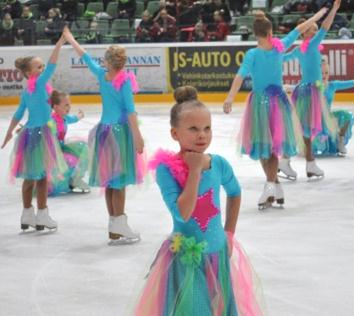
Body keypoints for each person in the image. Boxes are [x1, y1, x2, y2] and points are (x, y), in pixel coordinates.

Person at [135, 89, 263, 315]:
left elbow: (234, 192)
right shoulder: (166, 170)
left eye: (207, 128)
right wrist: (194, 172)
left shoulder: (218, 164)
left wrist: (229, 233)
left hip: (218, 255)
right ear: (175, 133)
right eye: (193, 129)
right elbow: (182, 213)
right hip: (186, 261)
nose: (202, 135)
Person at [222, 9, 328, 210]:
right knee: (267, 147)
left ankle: (270, 185)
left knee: (264, 147)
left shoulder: (252, 54)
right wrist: (319, 14)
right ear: (271, 33)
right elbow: (300, 28)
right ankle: (275, 187)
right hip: (278, 103)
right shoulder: (280, 47)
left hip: (260, 104)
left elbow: (240, 76)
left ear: (255, 35)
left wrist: (230, 97)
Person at [63, 26, 146, 244]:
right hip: (119, 135)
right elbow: (130, 110)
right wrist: (137, 136)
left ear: (107, 61)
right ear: (124, 63)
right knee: (118, 182)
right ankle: (120, 224)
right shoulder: (126, 80)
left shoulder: (102, 75)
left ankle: (114, 226)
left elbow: (85, 57)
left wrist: (71, 39)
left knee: (111, 181)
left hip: (103, 132)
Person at [1, 35, 67, 232]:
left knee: (30, 177)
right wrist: (59, 44)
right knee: (42, 177)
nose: (42, 70)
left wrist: (9, 133)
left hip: (28, 134)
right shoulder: (38, 84)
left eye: (41, 67)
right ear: (30, 73)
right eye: (38, 67)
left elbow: (18, 114)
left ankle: (27, 213)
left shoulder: (28, 91)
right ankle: (42, 215)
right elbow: (53, 64)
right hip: (40, 134)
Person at [279, 0, 341, 179]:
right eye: (312, 29)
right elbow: (326, 26)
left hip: (307, 91)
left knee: (305, 129)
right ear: (304, 33)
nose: (315, 31)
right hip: (309, 92)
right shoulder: (311, 45)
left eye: (315, 29)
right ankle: (291, 160)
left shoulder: (300, 49)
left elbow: (281, 58)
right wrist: (334, 9)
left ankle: (309, 162)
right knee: (303, 128)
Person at [47, 90, 90, 195]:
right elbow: (41, 130)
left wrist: (80, 116)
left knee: (84, 148)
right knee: (66, 162)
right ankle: (53, 183)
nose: (69, 107)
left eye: (69, 105)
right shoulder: (51, 121)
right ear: (56, 107)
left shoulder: (64, 118)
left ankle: (75, 179)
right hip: (52, 153)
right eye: (66, 105)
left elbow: (73, 119)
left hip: (61, 148)